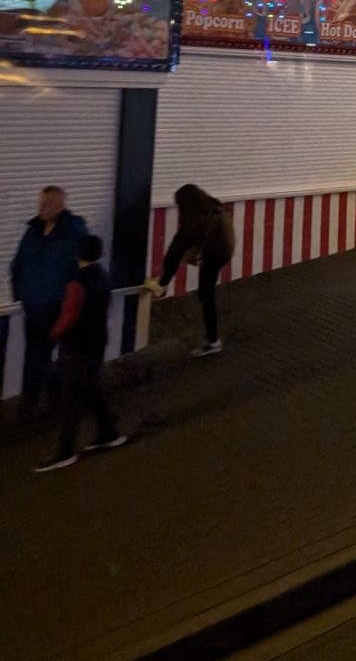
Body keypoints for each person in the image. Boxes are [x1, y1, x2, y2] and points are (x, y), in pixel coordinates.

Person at [36, 235, 126, 472]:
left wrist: (51, 334)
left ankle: (65, 451)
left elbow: (69, 317)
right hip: (96, 342)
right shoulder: (102, 276)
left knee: (70, 400)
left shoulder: (76, 283)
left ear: (77, 254)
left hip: (76, 347)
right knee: (90, 388)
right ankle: (108, 433)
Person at [10, 186, 88, 418]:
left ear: (60, 206)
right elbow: (18, 263)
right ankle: (31, 405)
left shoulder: (74, 232)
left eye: (46, 204)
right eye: (40, 204)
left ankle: (58, 406)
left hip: (59, 307)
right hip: (34, 308)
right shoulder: (33, 232)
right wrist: (21, 294)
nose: (41, 209)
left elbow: (83, 268)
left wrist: (71, 301)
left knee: (58, 358)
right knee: (35, 357)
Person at [145, 184, 236, 355]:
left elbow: (177, 248)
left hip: (213, 257)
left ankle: (213, 341)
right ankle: (212, 339)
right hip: (222, 254)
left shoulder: (196, 218)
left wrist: (164, 280)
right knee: (206, 294)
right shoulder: (215, 209)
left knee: (206, 296)